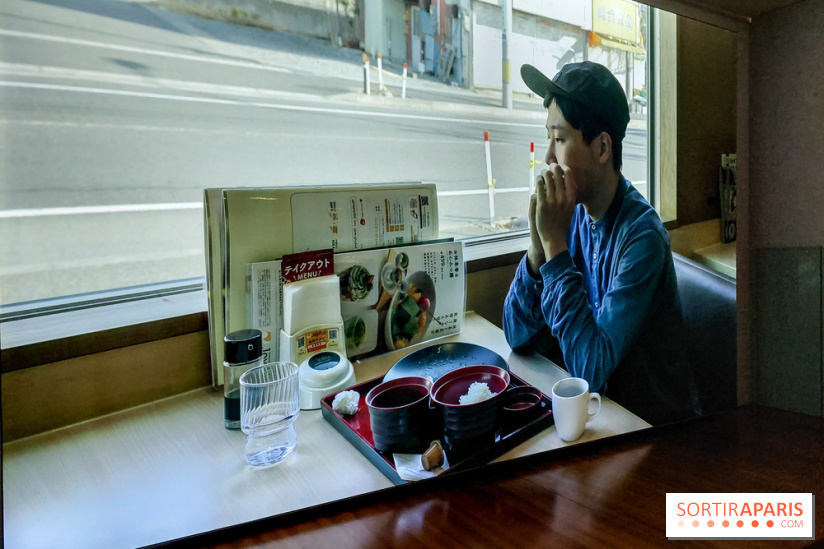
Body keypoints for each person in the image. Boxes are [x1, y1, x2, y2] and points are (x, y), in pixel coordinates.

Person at [503, 61, 700, 425]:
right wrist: (536, 249)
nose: (548, 157)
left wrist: (554, 245)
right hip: (602, 419)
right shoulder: (573, 214)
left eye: (559, 139)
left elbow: (591, 372)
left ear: (602, 147)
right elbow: (515, 334)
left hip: (652, 429)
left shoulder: (642, 237)